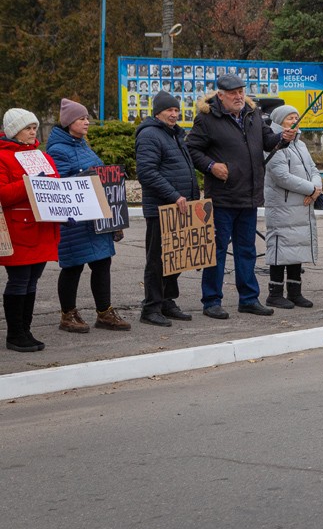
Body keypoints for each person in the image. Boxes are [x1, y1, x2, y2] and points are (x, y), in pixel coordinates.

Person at [187, 72, 296, 319]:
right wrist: (211, 165)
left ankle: (248, 298)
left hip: (250, 195)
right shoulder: (207, 118)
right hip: (223, 197)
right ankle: (211, 300)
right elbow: (191, 149)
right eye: (233, 93)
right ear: (221, 95)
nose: (239, 96)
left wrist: (283, 138)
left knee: (246, 250)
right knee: (216, 251)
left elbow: (268, 141)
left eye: (241, 91)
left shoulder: (253, 113)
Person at [46, 99, 130, 333]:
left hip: (97, 221)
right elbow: (59, 185)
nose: (86, 122)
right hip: (75, 223)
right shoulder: (58, 150)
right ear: (69, 122)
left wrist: (115, 219)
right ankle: (67, 314)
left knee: (103, 263)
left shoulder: (82, 145)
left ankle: (104, 312)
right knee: (73, 267)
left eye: (86, 118)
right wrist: (86, 179)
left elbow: (102, 180)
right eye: (81, 118)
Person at [135, 91, 199, 327]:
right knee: (157, 260)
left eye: (176, 110)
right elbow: (147, 173)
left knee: (176, 257)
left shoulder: (173, 134)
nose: (174, 114)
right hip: (161, 209)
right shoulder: (150, 135)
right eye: (169, 110)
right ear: (157, 112)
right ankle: (151, 307)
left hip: (179, 208)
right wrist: (174, 196)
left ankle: (167, 301)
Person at [0, 109, 59, 351]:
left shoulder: (41, 155)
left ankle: (25, 330)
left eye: (35, 127)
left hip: (42, 228)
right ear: (14, 131)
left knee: (32, 281)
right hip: (19, 231)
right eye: (28, 128)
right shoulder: (2, 157)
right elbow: (3, 195)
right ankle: (14, 334)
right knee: (19, 281)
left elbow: (56, 184)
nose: (33, 131)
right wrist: (30, 182)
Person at [263, 105, 322, 309]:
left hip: (302, 204)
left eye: (297, 117)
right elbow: (281, 176)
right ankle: (275, 293)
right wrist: (311, 189)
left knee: (297, 247)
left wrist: (317, 188)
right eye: (290, 118)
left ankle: (295, 292)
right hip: (283, 205)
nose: (295, 121)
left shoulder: (302, 145)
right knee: (281, 249)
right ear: (280, 122)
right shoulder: (274, 144)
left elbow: (314, 169)